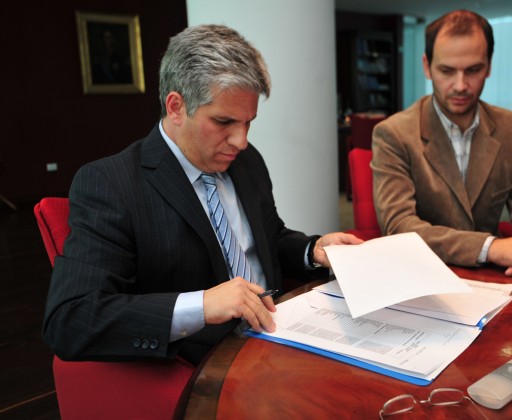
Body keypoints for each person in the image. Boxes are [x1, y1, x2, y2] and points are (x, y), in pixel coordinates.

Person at [42, 24, 362, 365]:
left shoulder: (246, 161)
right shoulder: (112, 184)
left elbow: (269, 239)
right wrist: (202, 305)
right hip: (203, 365)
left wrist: (313, 250)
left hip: (284, 336)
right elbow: (71, 319)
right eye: (224, 122)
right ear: (176, 106)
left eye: (249, 122)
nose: (241, 141)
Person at [371, 10, 512, 289]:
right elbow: (399, 227)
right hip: (422, 283)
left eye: (473, 70)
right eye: (447, 71)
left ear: (488, 66)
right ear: (427, 66)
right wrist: (494, 248)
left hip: (494, 283)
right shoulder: (394, 134)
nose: (461, 85)